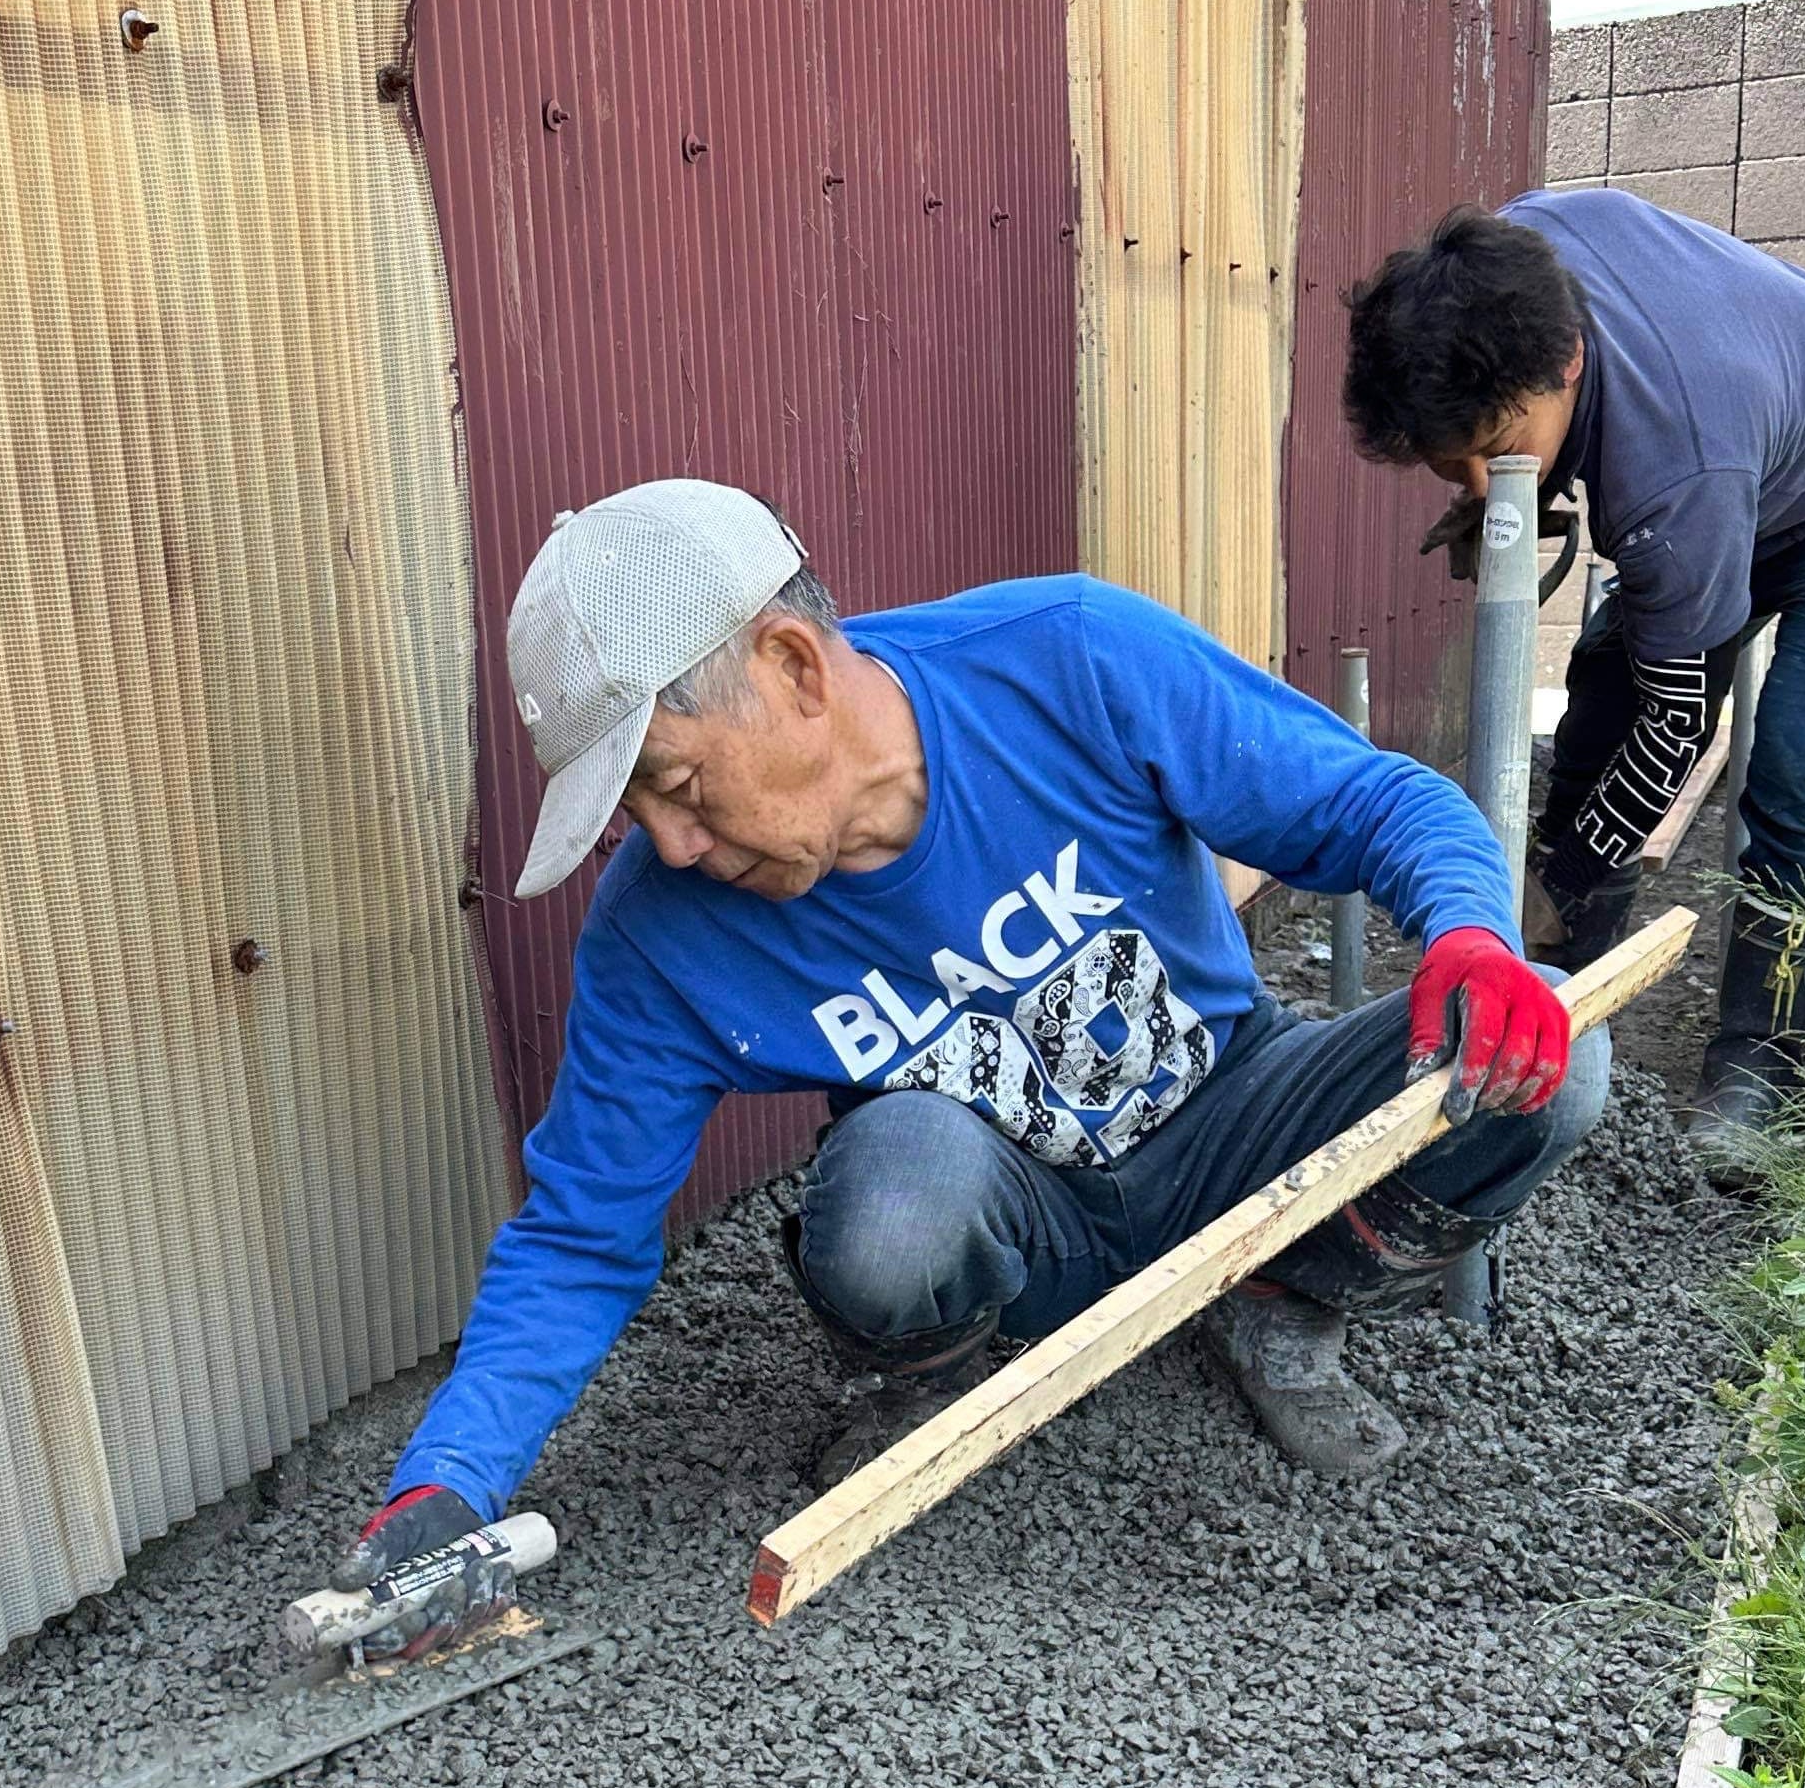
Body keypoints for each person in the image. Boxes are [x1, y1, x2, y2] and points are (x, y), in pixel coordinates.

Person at [338, 479, 1611, 1600]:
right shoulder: (662, 934)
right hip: (1014, 1229)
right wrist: (444, 1485)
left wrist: (1471, 939)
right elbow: (580, 1229)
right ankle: (944, 1370)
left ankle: (1283, 1295)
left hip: (1237, 1133)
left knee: (1556, 1060)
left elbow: (1370, 801)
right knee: (892, 1203)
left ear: (792, 666)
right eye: (633, 816)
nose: (670, 846)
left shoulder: (1067, 660)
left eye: (673, 784)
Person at [1344, 193, 1805, 1181]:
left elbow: (1682, 722)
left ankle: (1764, 1076)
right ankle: (1564, 979)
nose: (1475, 485)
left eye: (1493, 451)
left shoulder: (1673, 469)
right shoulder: (1507, 267)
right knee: (1604, 683)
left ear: (1564, 366)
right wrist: (1522, 480)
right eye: (1450, 465)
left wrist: (1559, 875)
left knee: (1801, 763)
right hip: (1750, 465)